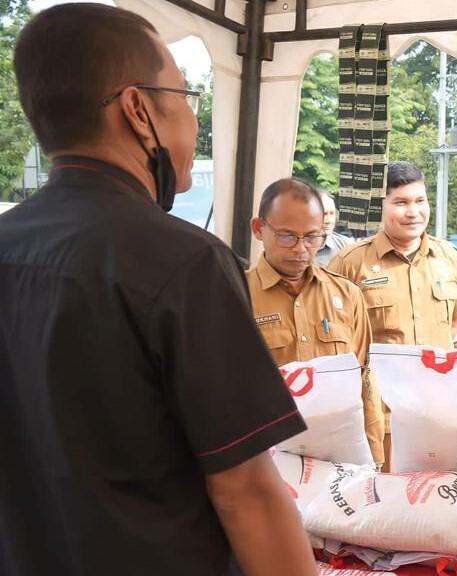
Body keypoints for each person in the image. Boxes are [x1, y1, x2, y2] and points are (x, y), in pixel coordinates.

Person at [0, 4, 316, 575]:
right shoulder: (186, 262)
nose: (194, 120)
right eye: (184, 94)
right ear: (139, 110)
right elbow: (245, 494)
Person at [328, 161, 457, 471]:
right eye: (401, 202)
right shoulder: (350, 264)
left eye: (420, 201)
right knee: (384, 507)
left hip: (439, 414)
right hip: (382, 417)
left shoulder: (448, 258)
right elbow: (333, 348)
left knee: (436, 503)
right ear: (382, 205)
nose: (413, 212)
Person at [247, 178, 385, 467]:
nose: (301, 249)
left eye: (312, 237)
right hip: (267, 463)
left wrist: (375, 462)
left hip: (338, 462)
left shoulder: (347, 295)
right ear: (259, 229)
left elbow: (365, 384)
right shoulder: (235, 296)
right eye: (287, 236)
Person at [315, 188, 354, 266]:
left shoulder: (345, 246)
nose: (329, 221)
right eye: (324, 214)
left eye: (332, 214)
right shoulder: (295, 246)